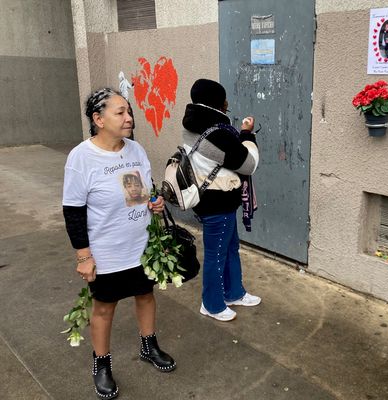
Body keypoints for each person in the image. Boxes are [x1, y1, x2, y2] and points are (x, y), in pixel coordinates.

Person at [62, 87, 176, 400]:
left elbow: (138, 191)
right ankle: (102, 364)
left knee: (145, 295)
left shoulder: (134, 150)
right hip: (106, 251)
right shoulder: (81, 158)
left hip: (140, 246)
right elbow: (73, 212)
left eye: (129, 111)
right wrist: (84, 256)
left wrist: (152, 202)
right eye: (120, 113)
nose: (129, 118)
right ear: (98, 119)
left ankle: (148, 345)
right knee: (104, 309)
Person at [181, 78, 261, 322]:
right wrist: (247, 135)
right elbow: (248, 164)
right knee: (217, 255)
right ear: (217, 102)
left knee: (229, 248)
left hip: (219, 200)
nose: (228, 102)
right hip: (217, 203)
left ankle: (233, 292)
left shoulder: (195, 125)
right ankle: (212, 304)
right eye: (224, 98)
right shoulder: (216, 133)